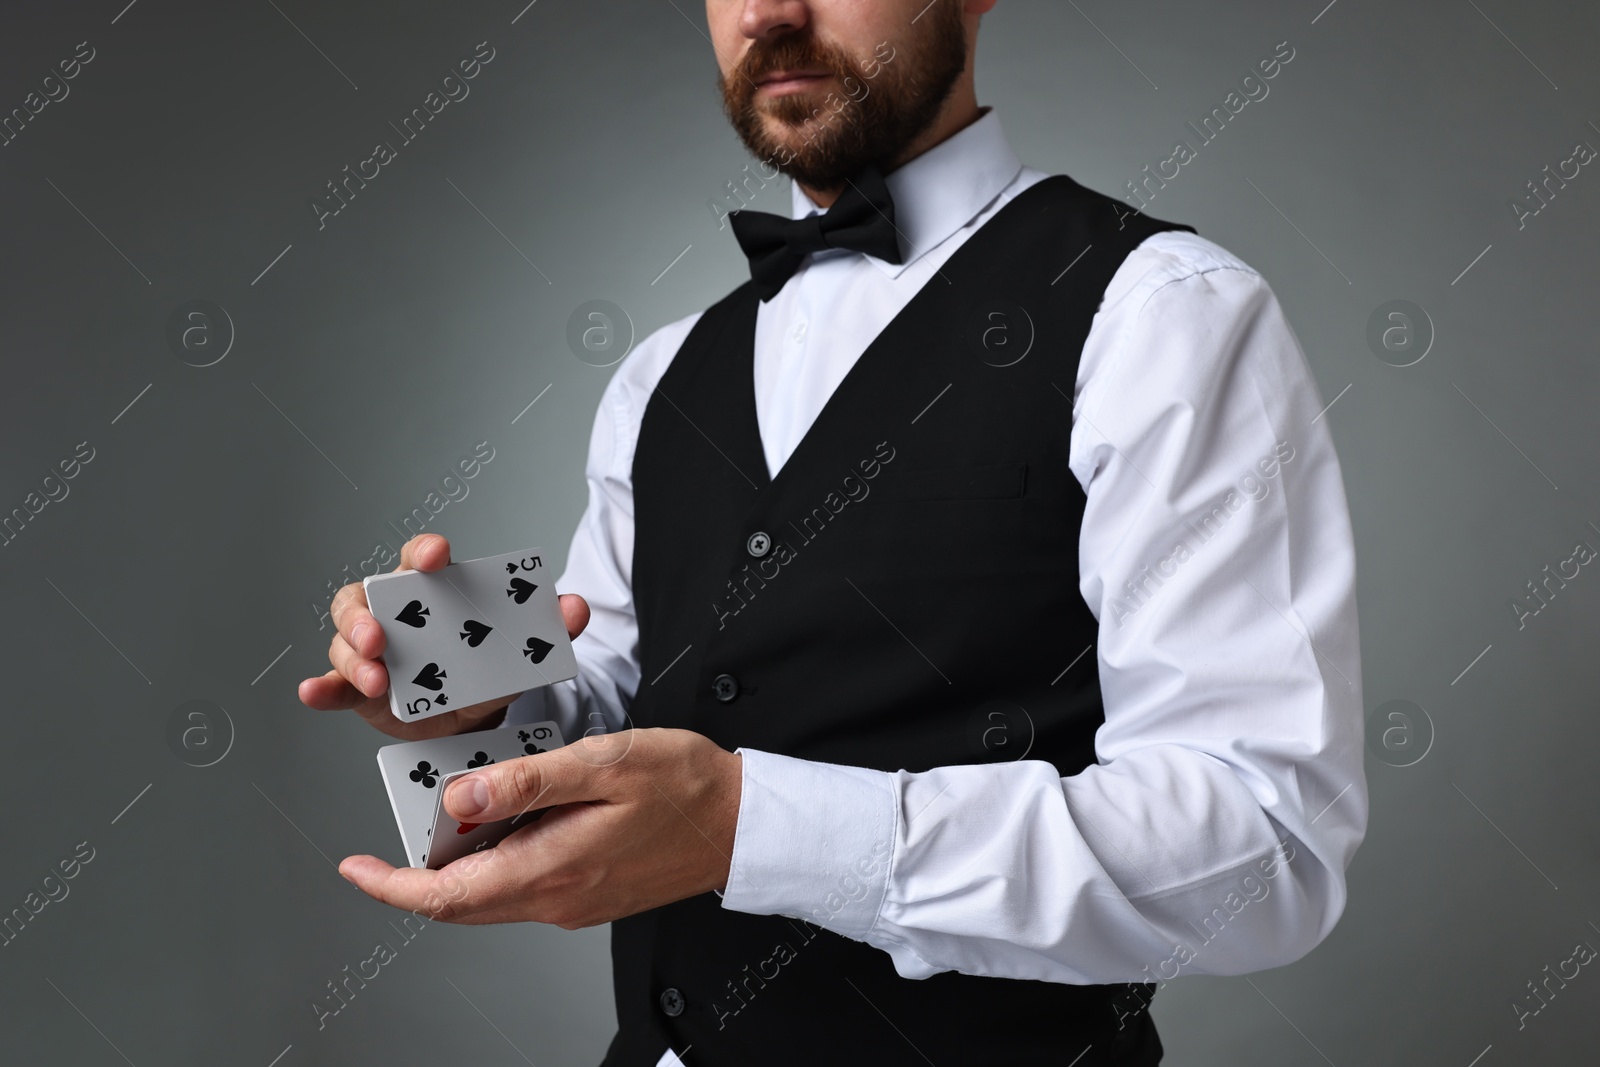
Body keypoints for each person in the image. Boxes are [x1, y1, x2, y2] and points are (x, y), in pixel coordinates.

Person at [298, 2, 1366, 1064]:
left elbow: (1262, 850)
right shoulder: (658, 374)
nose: (768, 12)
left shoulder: (1166, 313)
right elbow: (617, 704)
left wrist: (748, 826)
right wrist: (464, 698)